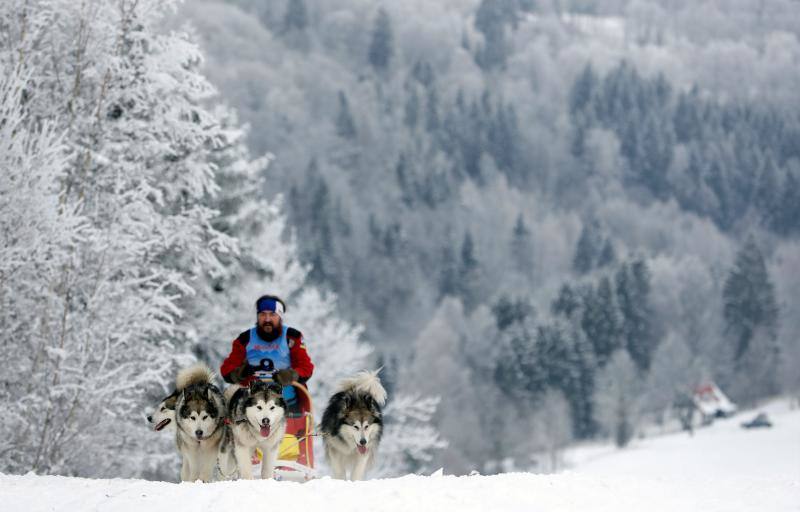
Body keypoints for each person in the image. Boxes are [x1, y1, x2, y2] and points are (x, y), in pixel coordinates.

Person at [220, 294, 314, 409]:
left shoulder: (292, 337)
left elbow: (306, 367)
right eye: (262, 314)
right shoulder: (245, 339)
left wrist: (291, 375)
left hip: (287, 404)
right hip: (251, 404)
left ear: (280, 317)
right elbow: (226, 370)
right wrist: (239, 373)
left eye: (272, 314)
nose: (267, 319)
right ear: (258, 317)